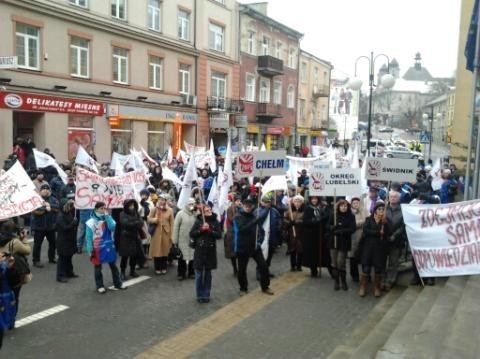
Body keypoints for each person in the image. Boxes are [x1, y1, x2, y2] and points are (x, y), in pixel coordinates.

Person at [233, 198, 273, 296]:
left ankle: (265, 286)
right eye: (246, 206)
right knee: (242, 270)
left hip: (254, 246)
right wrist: (254, 222)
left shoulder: (255, 216)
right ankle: (243, 288)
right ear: (243, 206)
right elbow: (242, 229)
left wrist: (259, 241)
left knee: (263, 266)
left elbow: (261, 231)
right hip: (242, 247)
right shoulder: (238, 217)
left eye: (249, 206)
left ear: (252, 207)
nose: (247, 208)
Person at [85, 201, 124, 293]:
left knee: (113, 265)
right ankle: (100, 286)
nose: (103, 210)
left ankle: (118, 283)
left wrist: (107, 216)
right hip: (97, 247)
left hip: (109, 245)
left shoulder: (108, 218)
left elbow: (113, 227)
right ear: (96, 209)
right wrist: (90, 249)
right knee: (98, 267)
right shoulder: (90, 222)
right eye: (101, 208)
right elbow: (88, 237)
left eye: (104, 208)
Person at [189, 203, 222, 303]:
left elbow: (219, 235)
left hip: (210, 251)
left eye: (210, 210)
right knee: (199, 275)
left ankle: (206, 295)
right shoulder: (199, 220)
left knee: (208, 275)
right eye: (207, 210)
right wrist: (201, 230)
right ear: (203, 212)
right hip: (199, 250)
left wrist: (210, 231)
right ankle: (199, 295)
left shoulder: (215, 221)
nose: (209, 211)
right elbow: (192, 233)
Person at [0, 222, 31, 326]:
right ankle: (11, 321)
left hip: (1, 272)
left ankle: (2, 319)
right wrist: (24, 239)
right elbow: (27, 250)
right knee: (14, 297)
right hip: (12, 272)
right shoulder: (15, 242)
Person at [358, 202, 391, 298]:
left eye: (382, 210)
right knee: (366, 268)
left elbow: (387, 234)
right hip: (368, 247)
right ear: (375, 210)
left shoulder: (385, 221)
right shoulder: (369, 219)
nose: (381, 211)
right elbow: (366, 230)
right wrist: (377, 232)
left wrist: (386, 225)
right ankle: (363, 287)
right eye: (379, 209)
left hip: (379, 249)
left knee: (378, 269)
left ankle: (376, 287)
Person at [329, 199, 356, 291]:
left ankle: (343, 281)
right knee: (334, 263)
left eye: (345, 206)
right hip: (333, 241)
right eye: (341, 206)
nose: (343, 208)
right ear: (338, 207)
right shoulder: (334, 215)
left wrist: (341, 231)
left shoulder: (351, 216)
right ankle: (336, 282)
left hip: (344, 242)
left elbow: (353, 228)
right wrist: (332, 227)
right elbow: (327, 225)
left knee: (341, 263)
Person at [31, 184, 60, 267]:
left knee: (53, 243)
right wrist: (45, 208)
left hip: (51, 226)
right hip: (39, 226)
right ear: (40, 191)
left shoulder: (53, 199)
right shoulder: (36, 200)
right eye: (43, 189)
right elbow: (35, 210)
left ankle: (52, 258)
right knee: (37, 244)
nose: (45, 190)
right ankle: (36, 260)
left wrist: (49, 205)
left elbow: (57, 208)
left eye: (47, 189)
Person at [383, 191, 407, 291]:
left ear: (398, 198)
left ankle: (390, 281)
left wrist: (394, 235)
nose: (392, 198)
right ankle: (382, 280)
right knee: (383, 261)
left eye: (395, 197)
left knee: (393, 262)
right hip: (384, 239)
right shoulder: (384, 208)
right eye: (391, 196)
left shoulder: (403, 210)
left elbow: (403, 225)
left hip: (396, 240)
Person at [302, 195, 330, 277]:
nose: (314, 200)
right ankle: (313, 270)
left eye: (316, 199)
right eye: (313, 199)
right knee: (312, 253)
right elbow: (305, 221)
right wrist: (314, 220)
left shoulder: (322, 208)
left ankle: (330, 269)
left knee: (323, 252)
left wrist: (323, 217)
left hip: (321, 233)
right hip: (311, 234)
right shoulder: (308, 209)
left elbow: (327, 218)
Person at [147, 195, 174, 275]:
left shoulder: (170, 210)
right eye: (161, 199)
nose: (162, 201)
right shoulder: (154, 209)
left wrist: (172, 234)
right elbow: (148, 219)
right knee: (157, 250)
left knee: (165, 250)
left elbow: (172, 223)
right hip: (156, 233)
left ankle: (164, 267)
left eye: (164, 200)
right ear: (158, 200)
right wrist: (154, 220)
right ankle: (157, 267)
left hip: (166, 232)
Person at [118, 199, 143, 280]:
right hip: (125, 238)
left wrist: (134, 223)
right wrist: (135, 222)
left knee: (134, 256)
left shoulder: (136, 213)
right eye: (130, 205)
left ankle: (132, 271)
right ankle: (122, 273)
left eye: (132, 205)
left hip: (135, 237)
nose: (132, 207)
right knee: (124, 257)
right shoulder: (122, 213)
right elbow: (125, 223)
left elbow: (141, 222)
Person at [172, 198, 197, 280]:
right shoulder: (180, 214)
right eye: (190, 204)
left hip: (193, 239)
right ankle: (181, 273)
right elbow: (175, 227)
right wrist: (175, 240)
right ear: (186, 204)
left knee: (192, 256)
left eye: (193, 204)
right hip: (182, 239)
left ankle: (191, 272)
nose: (192, 206)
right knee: (182, 258)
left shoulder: (195, 214)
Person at [55, 199, 79, 283]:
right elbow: (64, 228)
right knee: (62, 259)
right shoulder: (60, 216)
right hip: (63, 241)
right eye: (68, 205)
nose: (70, 207)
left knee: (69, 257)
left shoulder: (68, 213)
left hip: (69, 240)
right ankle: (60, 275)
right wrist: (73, 223)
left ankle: (69, 272)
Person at [0, 251, 16, 349]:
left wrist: (10, 268)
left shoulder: (5, 266)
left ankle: (9, 323)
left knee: (9, 310)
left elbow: (14, 279)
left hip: (6, 294)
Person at [349, 197, 367, 282]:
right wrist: (361, 222)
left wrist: (358, 223)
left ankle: (366, 275)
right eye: (354, 203)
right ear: (351, 204)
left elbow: (367, 220)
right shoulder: (349, 213)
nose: (356, 204)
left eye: (357, 203)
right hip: (352, 238)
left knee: (364, 257)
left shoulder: (364, 211)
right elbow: (352, 225)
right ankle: (354, 275)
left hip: (363, 237)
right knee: (353, 257)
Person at [285, 194, 304, 272]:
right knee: (292, 250)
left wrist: (297, 222)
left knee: (300, 250)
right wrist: (289, 222)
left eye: (299, 201)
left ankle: (299, 265)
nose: (297, 203)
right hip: (291, 234)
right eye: (295, 201)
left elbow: (305, 220)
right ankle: (292, 266)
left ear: (301, 202)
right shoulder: (289, 211)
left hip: (300, 233)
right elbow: (284, 220)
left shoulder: (304, 211)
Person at [224, 195, 241, 277]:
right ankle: (235, 269)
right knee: (233, 253)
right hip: (232, 232)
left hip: (239, 231)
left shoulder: (239, 208)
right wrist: (237, 215)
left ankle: (240, 268)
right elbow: (231, 219)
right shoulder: (230, 209)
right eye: (237, 201)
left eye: (239, 201)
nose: (239, 202)